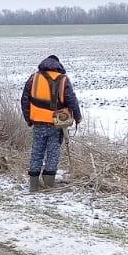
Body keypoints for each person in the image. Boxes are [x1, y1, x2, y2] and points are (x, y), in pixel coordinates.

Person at [21, 54, 82, 193]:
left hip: (38, 123)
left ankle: (34, 186)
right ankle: (48, 186)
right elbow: (72, 101)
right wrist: (77, 117)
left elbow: (25, 100)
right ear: (58, 66)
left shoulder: (33, 78)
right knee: (53, 153)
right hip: (56, 123)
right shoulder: (63, 80)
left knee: (36, 152)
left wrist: (28, 119)